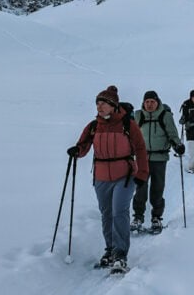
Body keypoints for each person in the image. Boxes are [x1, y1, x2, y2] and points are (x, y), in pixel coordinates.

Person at [67, 85, 149, 272]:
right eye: (98, 103)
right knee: (106, 213)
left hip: (125, 176)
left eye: (104, 103)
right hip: (101, 176)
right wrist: (76, 151)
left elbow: (141, 148)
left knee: (119, 211)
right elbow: (84, 145)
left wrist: (142, 173)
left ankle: (120, 254)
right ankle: (110, 249)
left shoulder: (128, 124)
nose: (100, 106)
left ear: (113, 106)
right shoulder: (94, 126)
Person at [132, 90, 185, 234]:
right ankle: (137, 217)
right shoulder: (138, 116)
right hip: (142, 158)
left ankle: (156, 217)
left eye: (152, 102)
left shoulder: (165, 116)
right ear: (143, 103)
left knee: (157, 188)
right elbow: (132, 135)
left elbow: (172, 134)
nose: (149, 105)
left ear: (157, 102)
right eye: (147, 102)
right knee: (140, 188)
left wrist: (178, 145)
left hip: (159, 158)